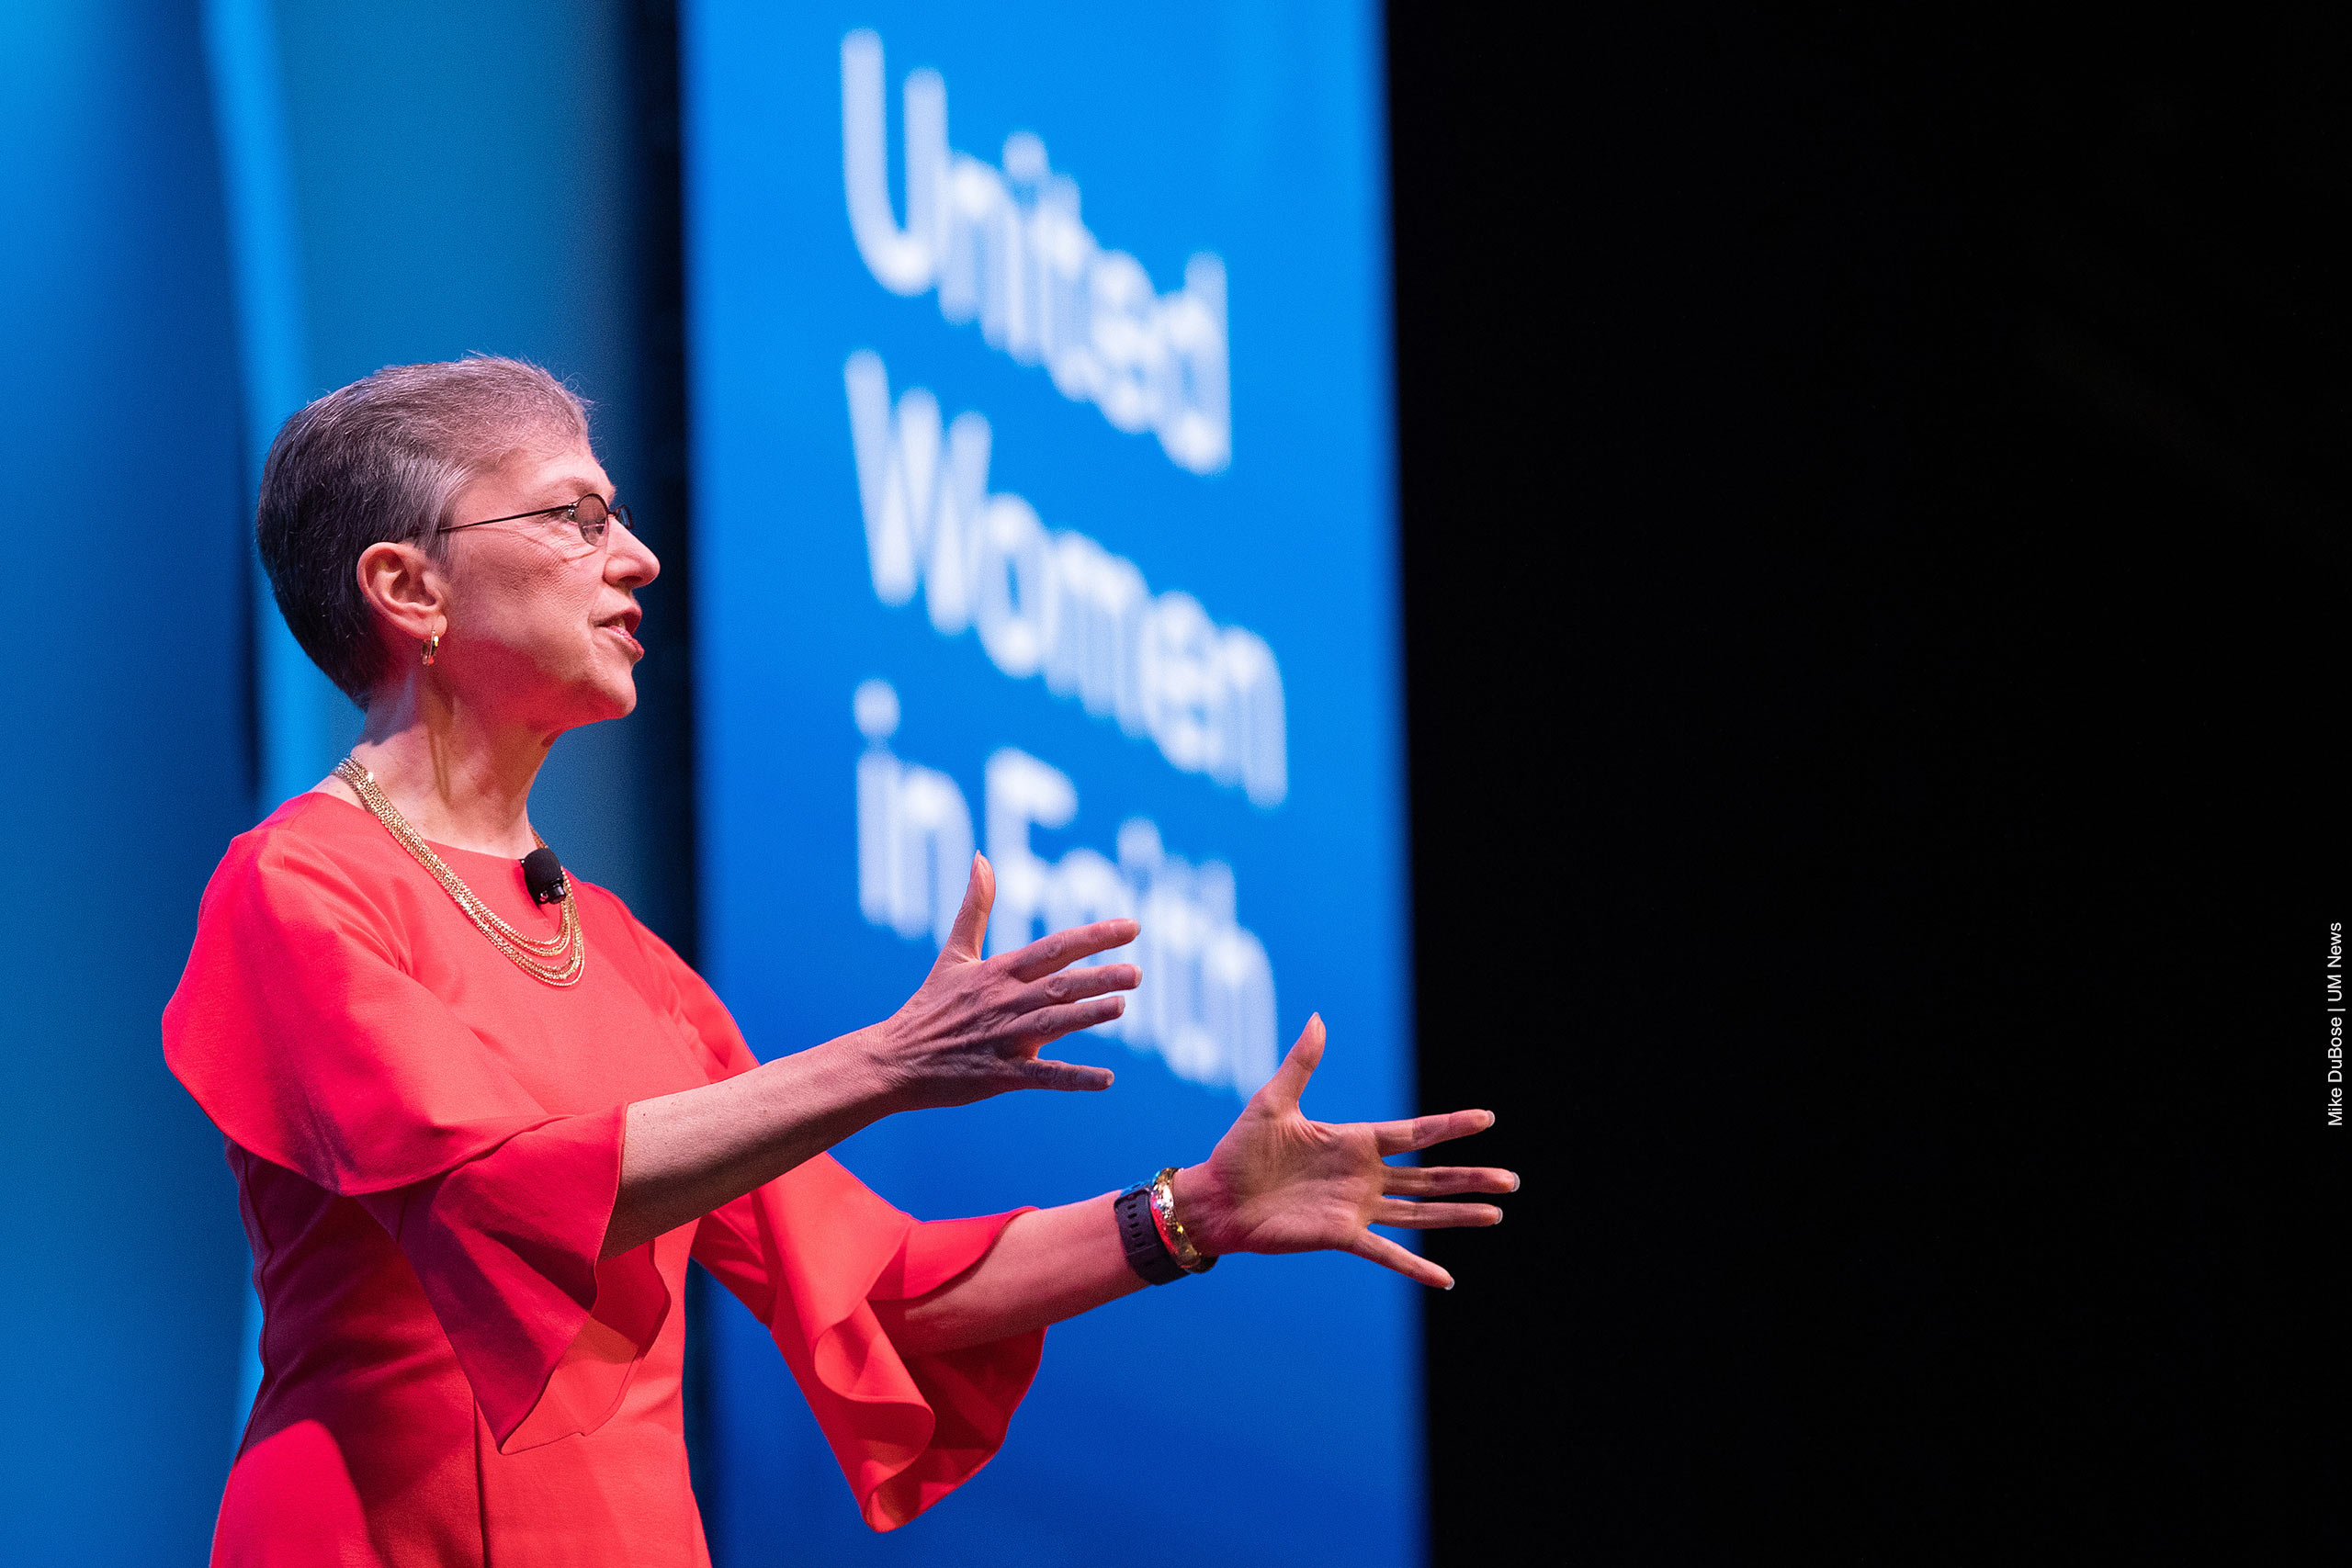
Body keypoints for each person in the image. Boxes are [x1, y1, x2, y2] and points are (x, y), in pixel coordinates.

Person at [164, 356, 1513, 1566]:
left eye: (621, 517)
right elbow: (494, 1198)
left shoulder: (628, 959)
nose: (635, 557)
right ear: (409, 587)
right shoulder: (301, 887)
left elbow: (885, 1286)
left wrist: (1188, 1218)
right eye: (576, 517)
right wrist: (890, 1062)